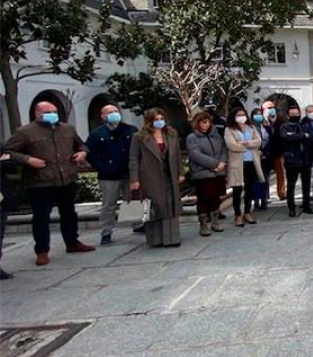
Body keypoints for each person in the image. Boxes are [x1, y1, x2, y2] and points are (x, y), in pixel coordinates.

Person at [3, 101, 94, 265]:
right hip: (40, 181)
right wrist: (28, 159)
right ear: (37, 114)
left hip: (65, 178)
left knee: (69, 213)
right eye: (48, 112)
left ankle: (72, 242)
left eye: (54, 111)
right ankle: (42, 250)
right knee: (41, 217)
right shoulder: (25, 132)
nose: (53, 114)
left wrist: (82, 152)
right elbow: (8, 152)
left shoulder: (67, 129)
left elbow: (81, 144)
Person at [129, 108, 185, 248]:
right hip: (150, 177)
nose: (159, 122)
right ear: (149, 121)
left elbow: (177, 155)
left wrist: (181, 172)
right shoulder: (139, 137)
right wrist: (134, 179)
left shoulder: (171, 134)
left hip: (169, 175)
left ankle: (172, 238)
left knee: (170, 205)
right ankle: (155, 239)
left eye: (161, 119)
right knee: (154, 206)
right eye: (156, 120)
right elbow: (134, 159)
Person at [86, 104, 138, 245]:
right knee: (109, 205)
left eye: (116, 111)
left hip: (129, 173)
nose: (114, 114)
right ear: (103, 116)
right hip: (108, 176)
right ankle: (106, 232)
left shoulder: (130, 130)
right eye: (110, 112)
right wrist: (103, 167)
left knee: (133, 200)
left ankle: (138, 224)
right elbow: (90, 154)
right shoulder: (97, 134)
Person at [185, 111, 227, 236]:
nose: (206, 124)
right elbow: (196, 155)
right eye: (204, 122)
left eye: (208, 121)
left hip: (218, 173)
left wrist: (221, 163)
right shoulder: (192, 138)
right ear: (197, 123)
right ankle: (203, 224)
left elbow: (223, 150)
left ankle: (215, 221)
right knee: (203, 198)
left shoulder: (216, 136)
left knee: (216, 197)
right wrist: (214, 164)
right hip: (202, 173)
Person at [223, 107, 264, 227]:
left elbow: (258, 141)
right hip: (237, 163)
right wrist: (248, 145)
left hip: (251, 161)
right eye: (239, 115)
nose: (242, 117)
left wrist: (247, 143)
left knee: (249, 188)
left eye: (243, 114)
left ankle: (247, 212)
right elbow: (232, 145)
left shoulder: (251, 128)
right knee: (237, 189)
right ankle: (237, 215)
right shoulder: (229, 129)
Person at [280, 105, 313, 216]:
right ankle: (291, 207)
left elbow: (311, 138)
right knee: (291, 185)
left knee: (306, 184)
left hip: (305, 159)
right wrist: (303, 135)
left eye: (297, 114)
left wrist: (297, 136)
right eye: (292, 114)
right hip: (292, 159)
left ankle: (306, 205)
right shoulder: (284, 127)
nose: (295, 116)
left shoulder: (305, 125)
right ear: (288, 115)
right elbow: (287, 138)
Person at [261, 99, 287, 200]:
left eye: (273, 108)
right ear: (263, 110)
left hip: (278, 152)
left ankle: (281, 193)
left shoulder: (280, 120)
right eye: (269, 108)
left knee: (280, 174)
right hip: (265, 153)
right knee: (264, 175)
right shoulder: (261, 121)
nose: (271, 110)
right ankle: (265, 196)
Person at [250, 107, 270, 211]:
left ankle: (264, 200)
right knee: (255, 180)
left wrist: (264, 151)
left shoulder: (265, 127)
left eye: (259, 114)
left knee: (264, 179)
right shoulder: (249, 128)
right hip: (254, 156)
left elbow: (270, 141)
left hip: (264, 157)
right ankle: (256, 201)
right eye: (256, 114)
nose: (258, 116)